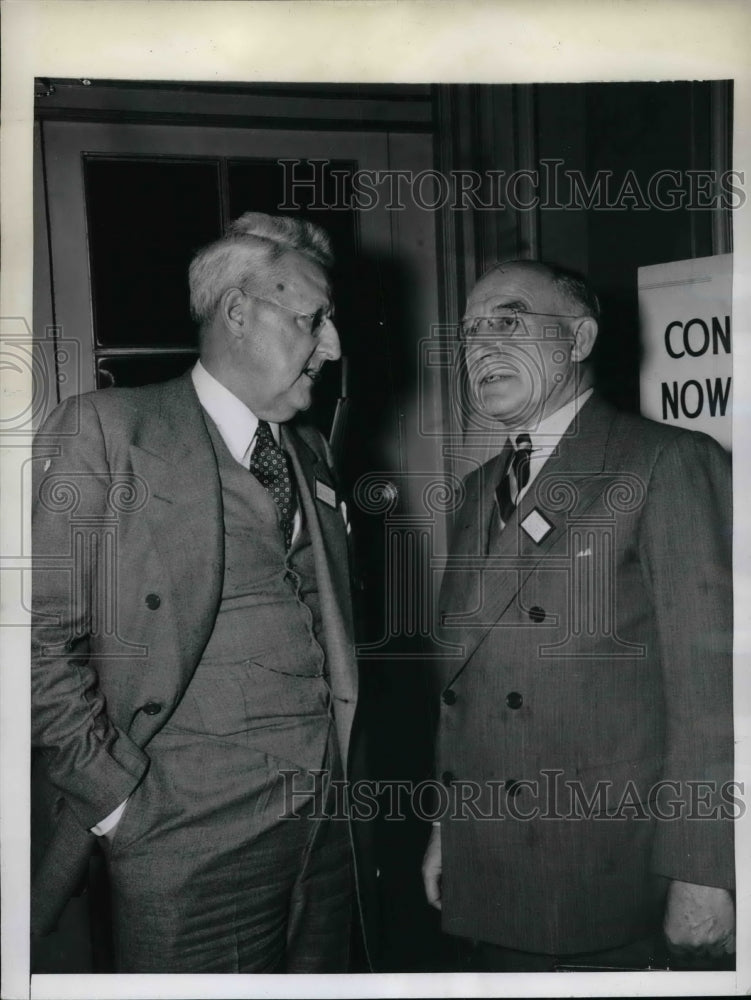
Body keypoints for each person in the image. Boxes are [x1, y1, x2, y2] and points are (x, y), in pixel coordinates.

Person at [31, 212, 361, 973]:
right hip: (182, 841)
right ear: (237, 312)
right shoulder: (108, 432)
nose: (334, 345)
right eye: (313, 319)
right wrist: (116, 802)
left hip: (327, 832)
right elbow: (35, 636)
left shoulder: (309, 452)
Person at [421, 259, 735, 971]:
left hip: (605, 875)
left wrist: (706, 870)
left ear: (580, 339)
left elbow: (712, 693)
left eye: (508, 321)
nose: (481, 347)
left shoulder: (665, 463)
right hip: (492, 860)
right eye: (469, 332)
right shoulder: (477, 489)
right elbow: (464, 687)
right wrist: (447, 830)